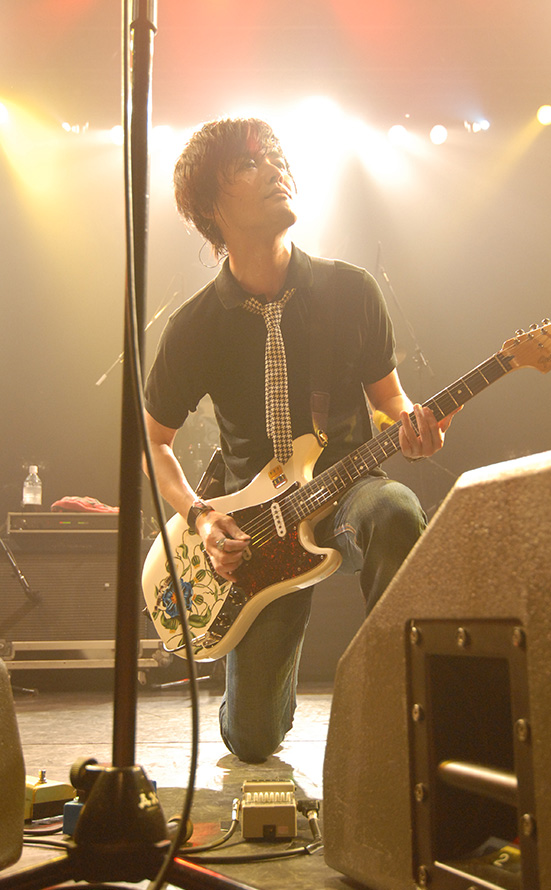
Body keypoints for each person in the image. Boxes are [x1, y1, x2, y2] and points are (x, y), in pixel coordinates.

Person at [144, 117, 459, 763]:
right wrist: (201, 518)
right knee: (251, 739)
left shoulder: (350, 290)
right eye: (250, 163)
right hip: (256, 529)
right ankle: (254, 703)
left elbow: (390, 401)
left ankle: (406, 704)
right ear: (210, 204)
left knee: (394, 508)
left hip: (348, 486)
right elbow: (154, 443)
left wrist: (412, 425)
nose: (276, 169)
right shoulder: (195, 326)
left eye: (278, 158)